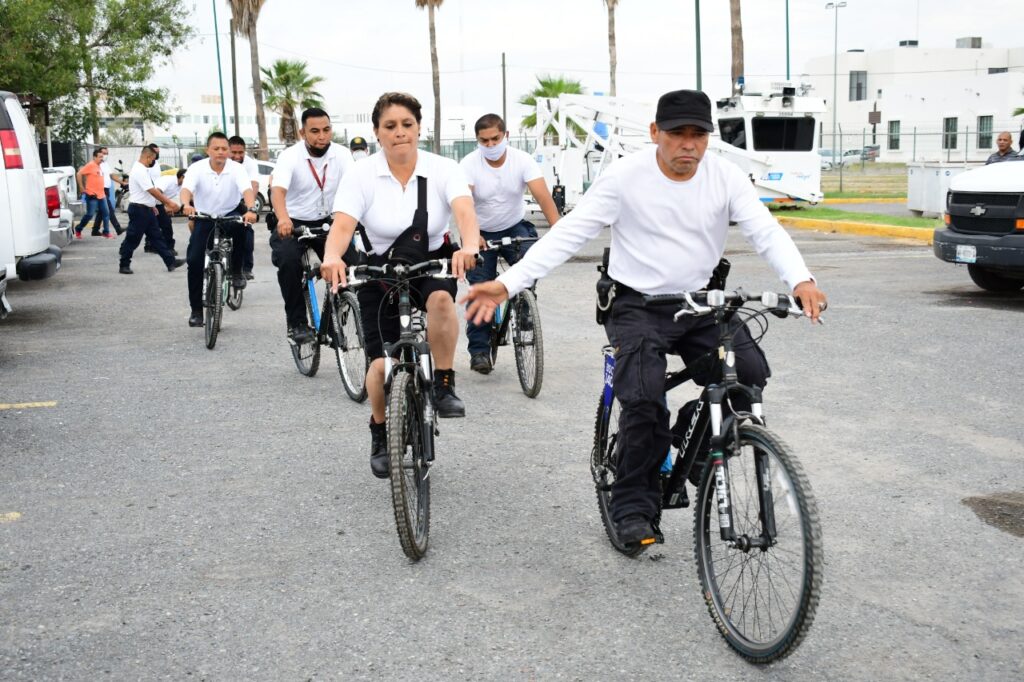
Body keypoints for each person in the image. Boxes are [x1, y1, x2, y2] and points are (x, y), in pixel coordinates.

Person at [463, 89, 827, 547]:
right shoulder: (624, 177)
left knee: (748, 374)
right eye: (678, 135)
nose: (688, 145)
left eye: (699, 135)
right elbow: (569, 234)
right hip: (636, 305)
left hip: (700, 303)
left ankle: (694, 440)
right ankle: (633, 504)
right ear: (655, 133)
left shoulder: (725, 177)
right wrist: (507, 283)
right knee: (644, 398)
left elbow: (765, 230)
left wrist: (801, 279)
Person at [320, 92, 480, 479]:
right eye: (390, 126)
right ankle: (380, 430)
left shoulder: (443, 168)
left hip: (432, 261)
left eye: (407, 124)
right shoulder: (361, 175)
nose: (400, 133)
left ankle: (443, 383)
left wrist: (470, 245)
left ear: (419, 128)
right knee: (380, 365)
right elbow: (343, 225)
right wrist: (332, 257)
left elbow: (464, 211)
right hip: (379, 270)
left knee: (442, 299)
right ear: (377, 132)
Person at [460, 113, 562, 374]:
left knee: (532, 262)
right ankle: (480, 351)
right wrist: (472, 237)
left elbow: (542, 196)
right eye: (485, 141)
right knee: (481, 288)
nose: (491, 145)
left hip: (515, 225)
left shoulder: (522, 160)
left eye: (496, 139)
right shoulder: (469, 164)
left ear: (506, 136)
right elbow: (464, 205)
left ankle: (524, 307)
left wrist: (559, 230)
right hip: (480, 231)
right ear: (477, 141)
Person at [269, 107, 354, 343]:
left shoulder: (342, 154)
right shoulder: (290, 156)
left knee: (354, 266)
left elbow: (355, 188)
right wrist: (283, 218)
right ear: (302, 133)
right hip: (294, 221)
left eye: (326, 130)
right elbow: (278, 190)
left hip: (330, 221)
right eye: (314, 131)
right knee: (288, 262)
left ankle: (343, 311)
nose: (322, 136)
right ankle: (296, 323)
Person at [179, 132, 257, 328]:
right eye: (216, 149)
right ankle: (196, 310)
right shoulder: (197, 168)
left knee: (243, 229)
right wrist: (186, 204)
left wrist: (251, 209)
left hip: (229, 213)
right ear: (208, 150)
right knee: (195, 260)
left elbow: (247, 191)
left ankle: (237, 271)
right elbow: (186, 189)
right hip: (205, 217)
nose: (221, 152)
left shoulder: (237, 169)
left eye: (224, 149)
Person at [118, 146, 185, 274]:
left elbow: (146, 192)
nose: (152, 162)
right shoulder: (139, 170)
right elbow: (151, 190)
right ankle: (124, 264)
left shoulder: (143, 170)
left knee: (157, 237)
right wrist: (169, 202)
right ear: (148, 157)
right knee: (133, 238)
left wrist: (152, 205)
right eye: (152, 159)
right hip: (139, 210)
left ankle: (170, 262)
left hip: (146, 209)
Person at [229, 135, 260, 279]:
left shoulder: (250, 164)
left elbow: (254, 185)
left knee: (246, 230)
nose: (237, 156)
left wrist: (250, 207)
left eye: (240, 152)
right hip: (222, 203)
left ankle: (246, 268)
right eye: (233, 152)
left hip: (241, 203)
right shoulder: (221, 162)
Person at [143, 143, 176, 253]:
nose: (157, 154)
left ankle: (155, 246)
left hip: (155, 199)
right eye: (155, 152)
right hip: (151, 197)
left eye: (158, 152)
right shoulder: (146, 165)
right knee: (160, 223)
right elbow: (149, 183)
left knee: (156, 223)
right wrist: (166, 203)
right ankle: (164, 247)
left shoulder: (155, 164)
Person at [74, 148, 112, 238]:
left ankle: (106, 232)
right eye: (100, 157)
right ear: (94, 157)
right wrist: (81, 187)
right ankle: (78, 228)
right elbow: (79, 174)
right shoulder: (90, 165)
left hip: (101, 194)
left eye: (102, 157)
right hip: (92, 195)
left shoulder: (100, 166)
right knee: (90, 215)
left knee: (106, 213)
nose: (102, 158)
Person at [90, 146, 124, 236]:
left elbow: (111, 176)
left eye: (106, 154)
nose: (105, 156)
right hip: (100, 190)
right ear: (99, 154)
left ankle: (95, 230)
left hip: (106, 190)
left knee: (102, 211)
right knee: (109, 209)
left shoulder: (106, 164)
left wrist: (122, 182)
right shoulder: (95, 165)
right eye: (104, 154)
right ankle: (118, 228)